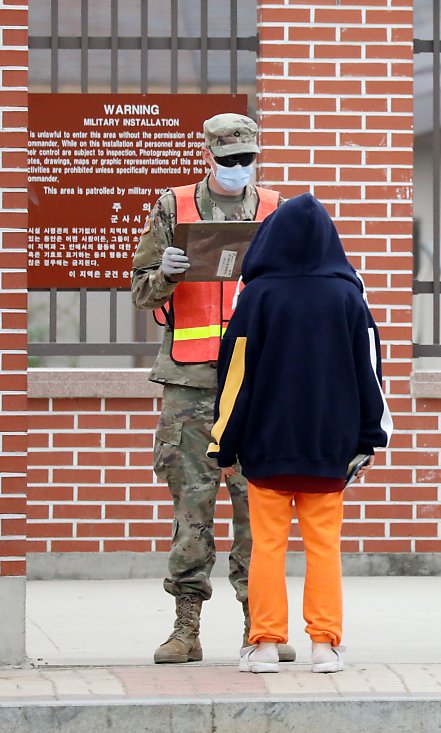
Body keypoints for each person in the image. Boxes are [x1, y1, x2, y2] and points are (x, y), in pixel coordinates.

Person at [130, 112, 295, 664]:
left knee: (259, 507)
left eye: (247, 159)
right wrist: (165, 273)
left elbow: (297, 290)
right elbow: (142, 294)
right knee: (192, 507)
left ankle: (261, 625)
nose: (238, 168)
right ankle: (186, 627)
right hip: (191, 381)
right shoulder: (173, 207)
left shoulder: (275, 210)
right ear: (209, 156)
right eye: (229, 160)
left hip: (257, 382)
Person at [207, 193, 391, 674]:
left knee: (266, 546)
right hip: (329, 449)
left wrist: (224, 442)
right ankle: (325, 645)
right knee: (324, 546)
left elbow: (235, 375)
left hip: (266, 447)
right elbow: (370, 371)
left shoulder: (257, 296)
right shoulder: (348, 296)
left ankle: (266, 644)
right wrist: (370, 438)